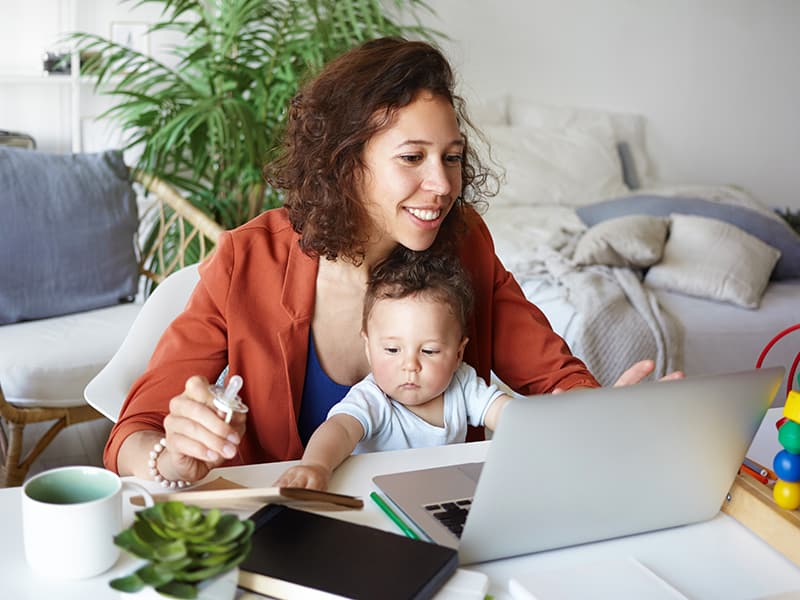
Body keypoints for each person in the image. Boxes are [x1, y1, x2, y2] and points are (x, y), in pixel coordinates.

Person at [106, 36, 679, 487]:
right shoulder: (247, 259)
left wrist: (601, 414)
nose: (442, 184)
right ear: (345, 161)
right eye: (412, 157)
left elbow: (553, 377)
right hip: (288, 531)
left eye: (452, 158)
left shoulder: (466, 243)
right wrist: (172, 458)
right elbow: (133, 435)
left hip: (434, 519)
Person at [275, 247, 514, 490]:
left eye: (429, 351)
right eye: (392, 350)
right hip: (376, 500)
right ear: (368, 348)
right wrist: (316, 465)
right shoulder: (373, 398)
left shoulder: (462, 384)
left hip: (439, 497)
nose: (410, 365)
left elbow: (506, 413)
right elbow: (340, 430)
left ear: (458, 354)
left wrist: (539, 429)